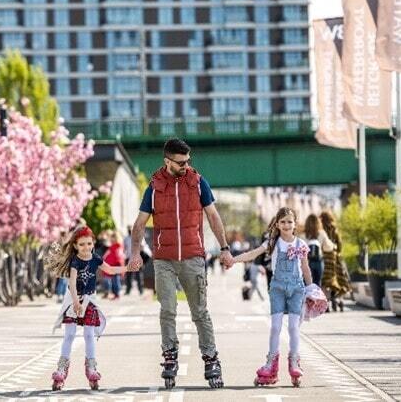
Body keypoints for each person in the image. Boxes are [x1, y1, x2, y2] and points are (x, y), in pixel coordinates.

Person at [128, 138, 233, 389]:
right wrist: (134, 254)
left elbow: (213, 216)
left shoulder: (198, 183)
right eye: (180, 162)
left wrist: (225, 248)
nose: (186, 165)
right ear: (167, 161)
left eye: (188, 160)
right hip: (164, 259)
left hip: (193, 257)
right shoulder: (154, 187)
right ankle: (169, 356)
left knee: (200, 312)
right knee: (168, 310)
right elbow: (140, 224)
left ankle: (211, 359)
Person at [229, 207, 315, 387]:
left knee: (293, 327)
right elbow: (253, 254)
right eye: (282, 222)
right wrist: (234, 259)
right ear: (277, 224)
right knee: (275, 327)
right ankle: (271, 363)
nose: (286, 225)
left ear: (295, 224)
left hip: (297, 289)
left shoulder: (301, 245)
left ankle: (294, 362)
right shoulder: (272, 242)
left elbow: (305, 269)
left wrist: (311, 288)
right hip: (277, 288)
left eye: (289, 222)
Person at [45, 226, 133, 391]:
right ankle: (61, 369)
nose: (86, 247)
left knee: (89, 334)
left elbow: (110, 269)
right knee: (69, 334)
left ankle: (91, 368)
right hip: (73, 300)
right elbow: (72, 281)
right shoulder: (75, 260)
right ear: (76, 246)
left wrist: (128, 268)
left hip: (89, 301)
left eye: (89, 243)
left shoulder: (95, 259)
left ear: (93, 244)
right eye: (82, 244)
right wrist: (75, 302)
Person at [320, 211, 351, 312]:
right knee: (338, 280)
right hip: (336, 258)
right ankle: (339, 301)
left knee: (326, 282)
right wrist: (337, 252)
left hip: (325, 258)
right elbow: (340, 245)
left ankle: (326, 304)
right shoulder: (335, 230)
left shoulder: (321, 230)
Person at [303, 214, 334, 287]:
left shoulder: (303, 235)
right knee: (317, 284)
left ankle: (307, 298)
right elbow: (328, 247)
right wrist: (333, 245)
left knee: (306, 284)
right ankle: (316, 298)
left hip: (307, 263)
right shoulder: (321, 233)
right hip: (318, 262)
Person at [102, 231, 125, 300]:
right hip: (112, 266)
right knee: (113, 280)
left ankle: (117, 294)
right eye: (111, 238)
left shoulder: (118, 246)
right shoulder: (113, 246)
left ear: (117, 238)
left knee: (115, 281)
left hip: (116, 265)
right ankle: (115, 294)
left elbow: (118, 256)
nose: (112, 240)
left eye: (113, 238)